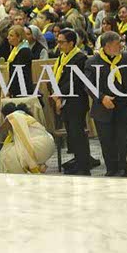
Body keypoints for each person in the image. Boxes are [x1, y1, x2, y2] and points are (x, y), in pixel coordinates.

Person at [85, 31, 127, 176]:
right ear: (107, 46)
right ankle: (111, 169)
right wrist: (102, 98)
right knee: (106, 141)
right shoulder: (92, 62)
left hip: (124, 107)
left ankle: (123, 168)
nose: (121, 46)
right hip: (103, 108)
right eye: (118, 43)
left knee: (124, 140)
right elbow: (88, 85)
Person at [51, 29, 91, 176]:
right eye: (58, 42)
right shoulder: (62, 57)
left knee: (78, 134)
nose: (59, 45)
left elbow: (74, 81)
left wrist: (59, 94)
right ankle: (78, 162)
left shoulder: (80, 58)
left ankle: (84, 166)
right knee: (72, 135)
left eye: (62, 42)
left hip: (76, 101)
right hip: (65, 100)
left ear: (71, 43)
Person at [0, 103, 55, 174]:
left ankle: (17, 177)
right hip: (48, 145)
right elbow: (16, 144)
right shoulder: (24, 117)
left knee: (6, 155)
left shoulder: (13, 116)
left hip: (39, 146)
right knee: (11, 150)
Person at [5, 25, 34, 97]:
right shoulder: (15, 50)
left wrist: (9, 89)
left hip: (23, 89)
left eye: (11, 35)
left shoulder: (24, 51)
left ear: (19, 37)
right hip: (16, 88)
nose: (8, 37)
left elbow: (18, 72)